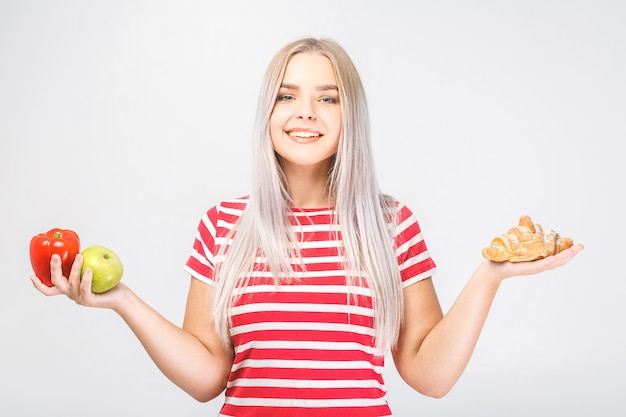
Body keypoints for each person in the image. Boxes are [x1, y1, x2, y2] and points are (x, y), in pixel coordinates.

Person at [31, 37, 583, 417]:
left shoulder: (393, 225)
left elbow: (428, 376)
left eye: (328, 98)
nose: (306, 113)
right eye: (288, 95)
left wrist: (489, 276)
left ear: (351, 117)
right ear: (267, 113)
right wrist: (122, 298)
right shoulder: (224, 225)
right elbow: (206, 379)